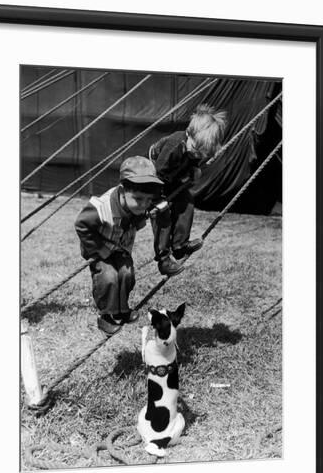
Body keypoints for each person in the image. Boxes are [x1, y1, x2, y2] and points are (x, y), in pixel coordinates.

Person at [75, 156, 163, 335]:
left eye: (149, 200)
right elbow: (81, 224)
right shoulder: (100, 208)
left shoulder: (139, 204)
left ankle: (121, 310)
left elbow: (143, 211)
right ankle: (106, 316)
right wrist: (99, 249)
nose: (144, 205)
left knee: (126, 274)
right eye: (139, 199)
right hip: (100, 248)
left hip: (120, 247)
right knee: (108, 277)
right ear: (122, 191)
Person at [149, 104, 227, 274]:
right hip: (154, 180)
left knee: (186, 201)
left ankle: (179, 246)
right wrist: (157, 200)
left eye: (202, 154)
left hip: (172, 178)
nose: (197, 155)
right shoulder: (174, 145)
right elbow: (157, 174)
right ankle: (163, 260)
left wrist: (194, 169)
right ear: (189, 134)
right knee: (163, 215)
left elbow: (191, 162)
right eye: (196, 150)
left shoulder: (194, 149)